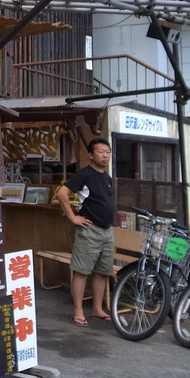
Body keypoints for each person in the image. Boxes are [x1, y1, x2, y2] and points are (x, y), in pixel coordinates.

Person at [55, 137, 114, 327]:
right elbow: (62, 194)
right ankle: (78, 311)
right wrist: (73, 217)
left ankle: (97, 309)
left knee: (102, 272)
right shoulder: (84, 175)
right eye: (100, 151)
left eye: (108, 151)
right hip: (89, 230)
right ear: (90, 155)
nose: (105, 155)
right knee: (81, 272)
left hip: (107, 231)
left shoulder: (107, 178)